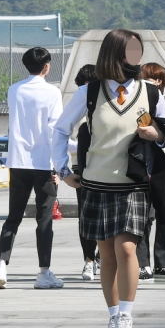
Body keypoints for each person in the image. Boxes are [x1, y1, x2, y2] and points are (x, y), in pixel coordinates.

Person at [53, 29, 165, 328]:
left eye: (137, 52)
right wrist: (63, 170)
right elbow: (61, 130)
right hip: (96, 183)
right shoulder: (90, 92)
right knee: (108, 254)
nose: (135, 58)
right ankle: (114, 316)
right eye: (129, 52)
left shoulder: (152, 94)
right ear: (113, 56)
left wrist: (157, 136)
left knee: (127, 248)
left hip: (132, 184)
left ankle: (127, 317)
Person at [0, 47, 65, 290]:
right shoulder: (53, 93)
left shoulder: (14, 90)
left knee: (13, 216)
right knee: (44, 219)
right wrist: (59, 165)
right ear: (46, 67)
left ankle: (1, 265)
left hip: (18, 161)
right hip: (43, 162)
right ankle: (43, 272)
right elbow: (55, 130)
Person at [136, 62, 165, 281]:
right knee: (143, 218)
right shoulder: (135, 100)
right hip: (141, 166)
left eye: (157, 80)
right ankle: (143, 263)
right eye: (147, 78)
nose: (153, 83)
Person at [71, 63, 100, 280]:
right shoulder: (82, 119)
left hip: (103, 170)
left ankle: (95, 258)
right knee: (86, 217)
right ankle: (89, 259)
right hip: (85, 171)